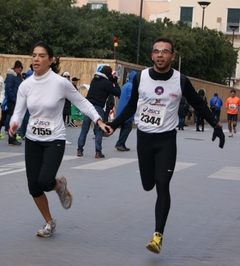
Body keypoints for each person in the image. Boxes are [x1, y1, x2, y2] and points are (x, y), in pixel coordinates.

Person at [105, 36, 224, 254]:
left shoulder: (180, 80)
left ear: (172, 56)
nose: (160, 54)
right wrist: (114, 125)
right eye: (157, 51)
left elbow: (198, 103)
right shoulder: (141, 78)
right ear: (152, 55)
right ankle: (155, 215)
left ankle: (157, 236)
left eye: (165, 51)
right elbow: (131, 106)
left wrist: (216, 125)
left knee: (162, 184)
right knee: (148, 184)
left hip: (167, 140)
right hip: (144, 139)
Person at [9, 41, 109, 238]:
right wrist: (14, 123)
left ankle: (59, 186)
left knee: (46, 181)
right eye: (34, 55)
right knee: (33, 186)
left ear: (51, 60)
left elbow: (82, 102)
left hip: (55, 138)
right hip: (33, 139)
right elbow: (18, 112)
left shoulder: (60, 83)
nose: (36, 59)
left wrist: (98, 120)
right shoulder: (26, 85)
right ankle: (49, 222)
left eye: (41, 55)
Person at [77, 65, 121, 158]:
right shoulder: (106, 83)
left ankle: (79, 150)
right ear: (109, 74)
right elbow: (117, 93)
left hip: (88, 107)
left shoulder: (94, 80)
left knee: (84, 129)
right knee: (98, 131)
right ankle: (98, 152)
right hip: (98, 108)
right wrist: (115, 82)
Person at [114, 70, 136, 151]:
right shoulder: (132, 86)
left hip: (121, 110)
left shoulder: (125, 85)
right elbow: (131, 99)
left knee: (124, 127)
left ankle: (121, 143)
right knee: (128, 127)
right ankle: (120, 143)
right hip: (126, 111)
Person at [5, 60, 24, 146]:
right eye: (18, 67)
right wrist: (15, 100)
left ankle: (13, 137)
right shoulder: (11, 76)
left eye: (21, 68)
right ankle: (11, 138)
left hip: (17, 101)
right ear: (15, 67)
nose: (20, 69)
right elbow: (9, 89)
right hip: (13, 101)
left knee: (15, 119)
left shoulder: (18, 76)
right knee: (13, 120)